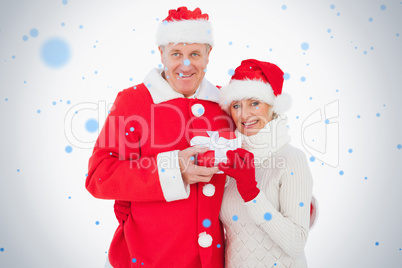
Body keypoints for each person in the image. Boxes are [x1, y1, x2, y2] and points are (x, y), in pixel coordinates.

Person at [86, 7, 234, 268]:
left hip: (216, 260)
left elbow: (252, 159)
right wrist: (174, 167)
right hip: (151, 258)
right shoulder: (133, 102)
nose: (185, 64)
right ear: (162, 54)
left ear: (209, 55)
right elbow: (100, 176)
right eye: (176, 53)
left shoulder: (226, 103)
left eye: (195, 54)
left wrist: (287, 199)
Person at [217, 59, 317, 268]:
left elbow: (296, 243)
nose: (244, 114)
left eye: (254, 103)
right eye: (236, 105)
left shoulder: (291, 159)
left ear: (273, 106)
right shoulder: (232, 163)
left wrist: (251, 192)